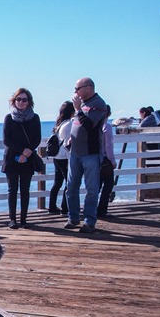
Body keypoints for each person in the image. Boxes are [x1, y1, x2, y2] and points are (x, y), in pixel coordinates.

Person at [64, 77, 108, 234]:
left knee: (91, 189)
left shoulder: (98, 104)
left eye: (78, 88)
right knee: (71, 187)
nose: (75, 92)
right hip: (75, 152)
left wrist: (77, 110)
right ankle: (73, 217)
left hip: (91, 153)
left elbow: (89, 126)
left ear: (88, 88)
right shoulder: (82, 104)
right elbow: (78, 125)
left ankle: (89, 221)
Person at [2, 87, 41, 229]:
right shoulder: (9, 118)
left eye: (24, 99)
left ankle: (24, 219)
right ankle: (12, 219)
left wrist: (28, 152)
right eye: (18, 99)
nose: (21, 102)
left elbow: (37, 138)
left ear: (29, 102)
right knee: (12, 190)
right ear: (14, 101)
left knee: (25, 190)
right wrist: (21, 151)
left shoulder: (35, 117)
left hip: (28, 158)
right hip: (12, 157)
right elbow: (7, 140)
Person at [48, 101, 74, 215]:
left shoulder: (59, 124)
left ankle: (52, 206)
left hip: (57, 157)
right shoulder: (69, 124)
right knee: (68, 183)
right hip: (65, 157)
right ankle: (65, 208)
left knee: (57, 183)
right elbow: (69, 143)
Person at [97, 105, 116, 218]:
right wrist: (112, 160)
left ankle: (91, 208)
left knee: (96, 186)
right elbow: (108, 146)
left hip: (96, 159)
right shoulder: (107, 127)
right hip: (105, 160)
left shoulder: (96, 126)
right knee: (108, 185)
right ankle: (102, 209)